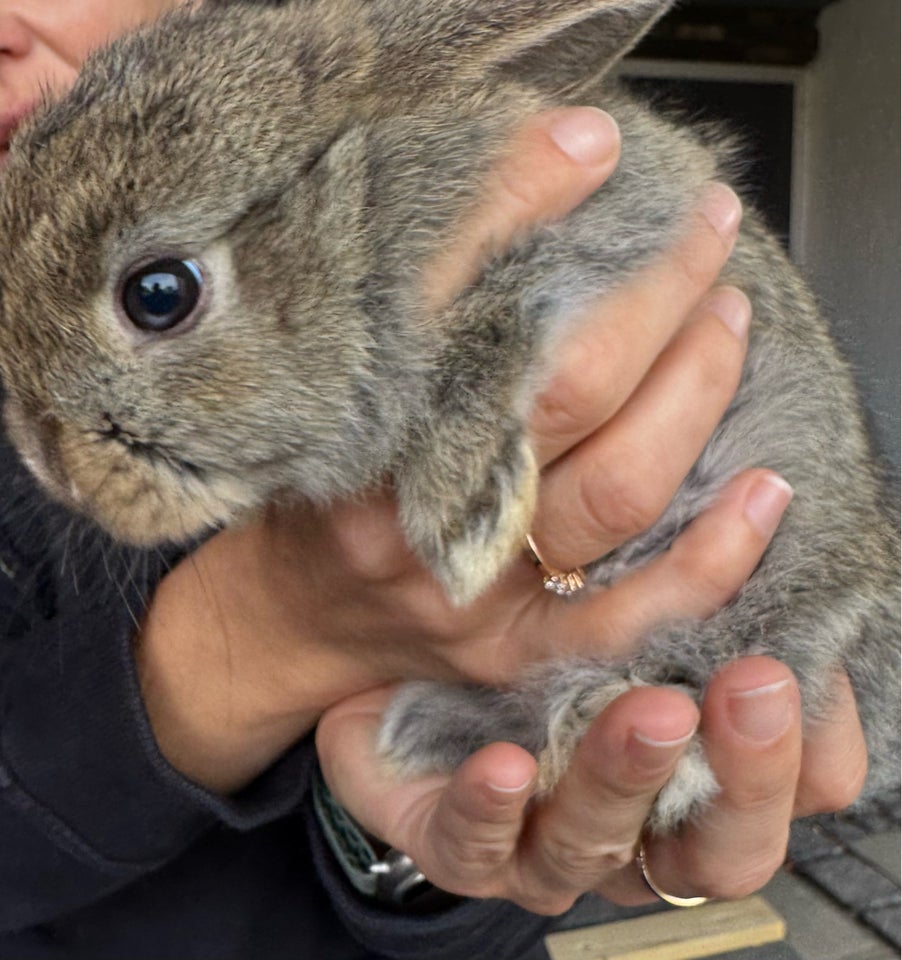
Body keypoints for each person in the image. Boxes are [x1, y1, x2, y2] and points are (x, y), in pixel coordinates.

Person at [0, 2, 868, 958]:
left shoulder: (421, 140)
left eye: (159, 295)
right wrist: (263, 631)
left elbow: (641, 212)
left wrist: (435, 849)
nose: (53, 458)